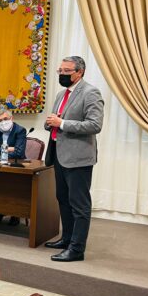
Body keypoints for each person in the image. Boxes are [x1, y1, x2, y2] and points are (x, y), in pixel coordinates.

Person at [44, 56, 104, 262]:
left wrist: (62, 123)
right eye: (59, 71)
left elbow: (94, 125)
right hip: (59, 155)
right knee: (63, 199)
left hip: (79, 158)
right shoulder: (62, 94)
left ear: (79, 72)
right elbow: (56, 119)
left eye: (66, 71)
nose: (61, 74)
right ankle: (67, 239)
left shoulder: (91, 92)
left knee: (79, 204)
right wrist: (51, 123)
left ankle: (77, 249)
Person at [0, 107, 27, 226]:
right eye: (0, 121)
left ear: (12, 118)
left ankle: (15, 214)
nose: (3, 123)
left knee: (12, 184)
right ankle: (0, 211)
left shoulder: (20, 130)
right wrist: (7, 148)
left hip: (15, 167)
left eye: (5, 119)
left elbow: (19, 153)